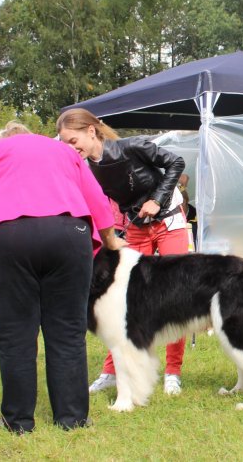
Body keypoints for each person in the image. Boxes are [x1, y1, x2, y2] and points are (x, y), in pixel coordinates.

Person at [0, 128, 125, 434]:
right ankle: (73, 419)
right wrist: (110, 241)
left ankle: (18, 422)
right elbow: (96, 199)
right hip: (69, 235)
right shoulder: (65, 152)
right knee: (68, 332)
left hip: (8, 236)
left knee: (15, 334)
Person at [56, 108, 190, 396]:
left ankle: (173, 371)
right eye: (64, 142)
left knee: (173, 294)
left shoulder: (133, 146)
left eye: (72, 140)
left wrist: (157, 199)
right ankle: (111, 370)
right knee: (124, 298)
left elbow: (177, 163)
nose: (70, 147)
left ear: (91, 131)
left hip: (169, 220)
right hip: (137, 226)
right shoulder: (86, 169)